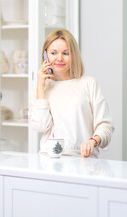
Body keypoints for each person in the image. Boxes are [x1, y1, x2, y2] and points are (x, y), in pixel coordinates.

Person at [29, 29, 114, 158]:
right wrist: (40, 87)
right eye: (53, 53)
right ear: (46, 55)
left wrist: (93, 141)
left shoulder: (88, 84)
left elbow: (105, 125)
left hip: (82, 159)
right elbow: (41, 125)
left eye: (66, 53)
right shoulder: (40, 88)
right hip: (48, 159)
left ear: (73, 55)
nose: (59, 58)